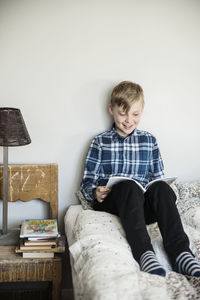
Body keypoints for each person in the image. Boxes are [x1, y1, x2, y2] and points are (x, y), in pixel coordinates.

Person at [81, 80, 200, 277]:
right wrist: (95, 191)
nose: (128, 120)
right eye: (122, 113)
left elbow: (158, 179)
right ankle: (144, 253)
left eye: (135, 114)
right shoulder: (99, 142)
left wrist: (168, 189)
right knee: (128, 186)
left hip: (142, 207)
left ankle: (181, 254)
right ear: (111, 110)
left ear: (142, 111)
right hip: (114, 203)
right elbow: (87, 183)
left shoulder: (149, 140)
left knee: (161, 187)